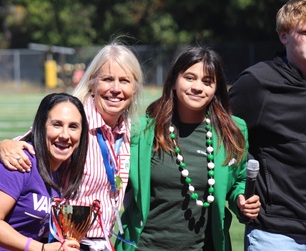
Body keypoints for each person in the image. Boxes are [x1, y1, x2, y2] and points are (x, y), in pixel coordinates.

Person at [0, 40, 143, 251]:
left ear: (134, 88)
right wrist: (2, 146)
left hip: (104, 242)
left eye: (124, 81)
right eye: (107, 79)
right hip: (64, 244)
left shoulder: (129, 131)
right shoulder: (74, 121)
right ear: (92, 84)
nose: (115, 88)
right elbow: (22, 147)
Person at [115, 46, 261, 251]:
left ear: (216, 88)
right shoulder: (142, 131)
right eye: (189, 77)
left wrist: (240, 199)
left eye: (207, 81)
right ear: (174, 81)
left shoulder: (233, 131)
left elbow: (238, 178)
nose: (198, 87)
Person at [0, 93, 88, 251]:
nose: (65, 135)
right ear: (40, 126)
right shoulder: (18, 161)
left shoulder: (62, 174)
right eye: (57, 125)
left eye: (73, 126)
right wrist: (42, 249)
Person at [228, 0, 306, 250]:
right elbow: (219, 134)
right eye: (305, 32)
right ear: (284, 36)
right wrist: (239, 192)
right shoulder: (258, 83)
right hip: (276, 234)